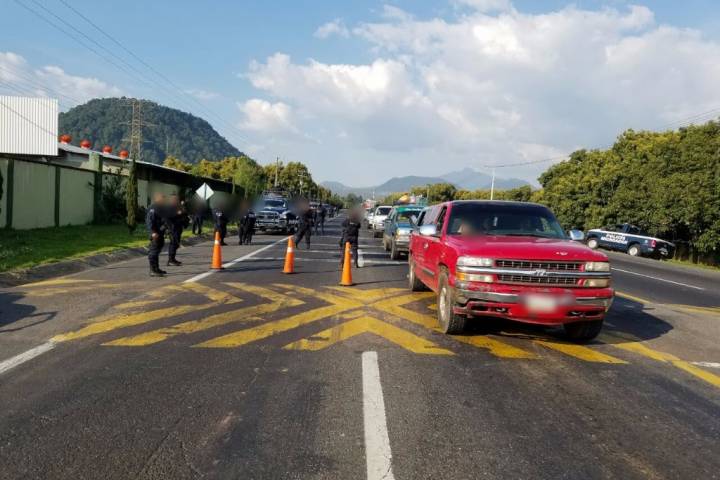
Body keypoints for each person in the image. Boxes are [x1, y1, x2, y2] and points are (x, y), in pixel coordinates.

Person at [146, 192, 167, 277]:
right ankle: (152, 270)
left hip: (160, 232)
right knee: (153, 251)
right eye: (162, 198)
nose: (164, 200)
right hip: (155, 233)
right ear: (157, 199)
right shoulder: (153, 208)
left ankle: (156, 268)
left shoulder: (161, 208)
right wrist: (153, 232)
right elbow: (149, 221)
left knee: (157, 250)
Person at [165, 196, 187, 266]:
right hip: (173, 228)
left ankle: (172, 259)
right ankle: (170, 260)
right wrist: (177, 213)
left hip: (178, 228)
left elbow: (183, 214)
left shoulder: (177, 207)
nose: (177, 201)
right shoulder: (169, 207)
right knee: (173, 243)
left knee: (176, 244)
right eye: (176, 200)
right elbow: (168, 217)